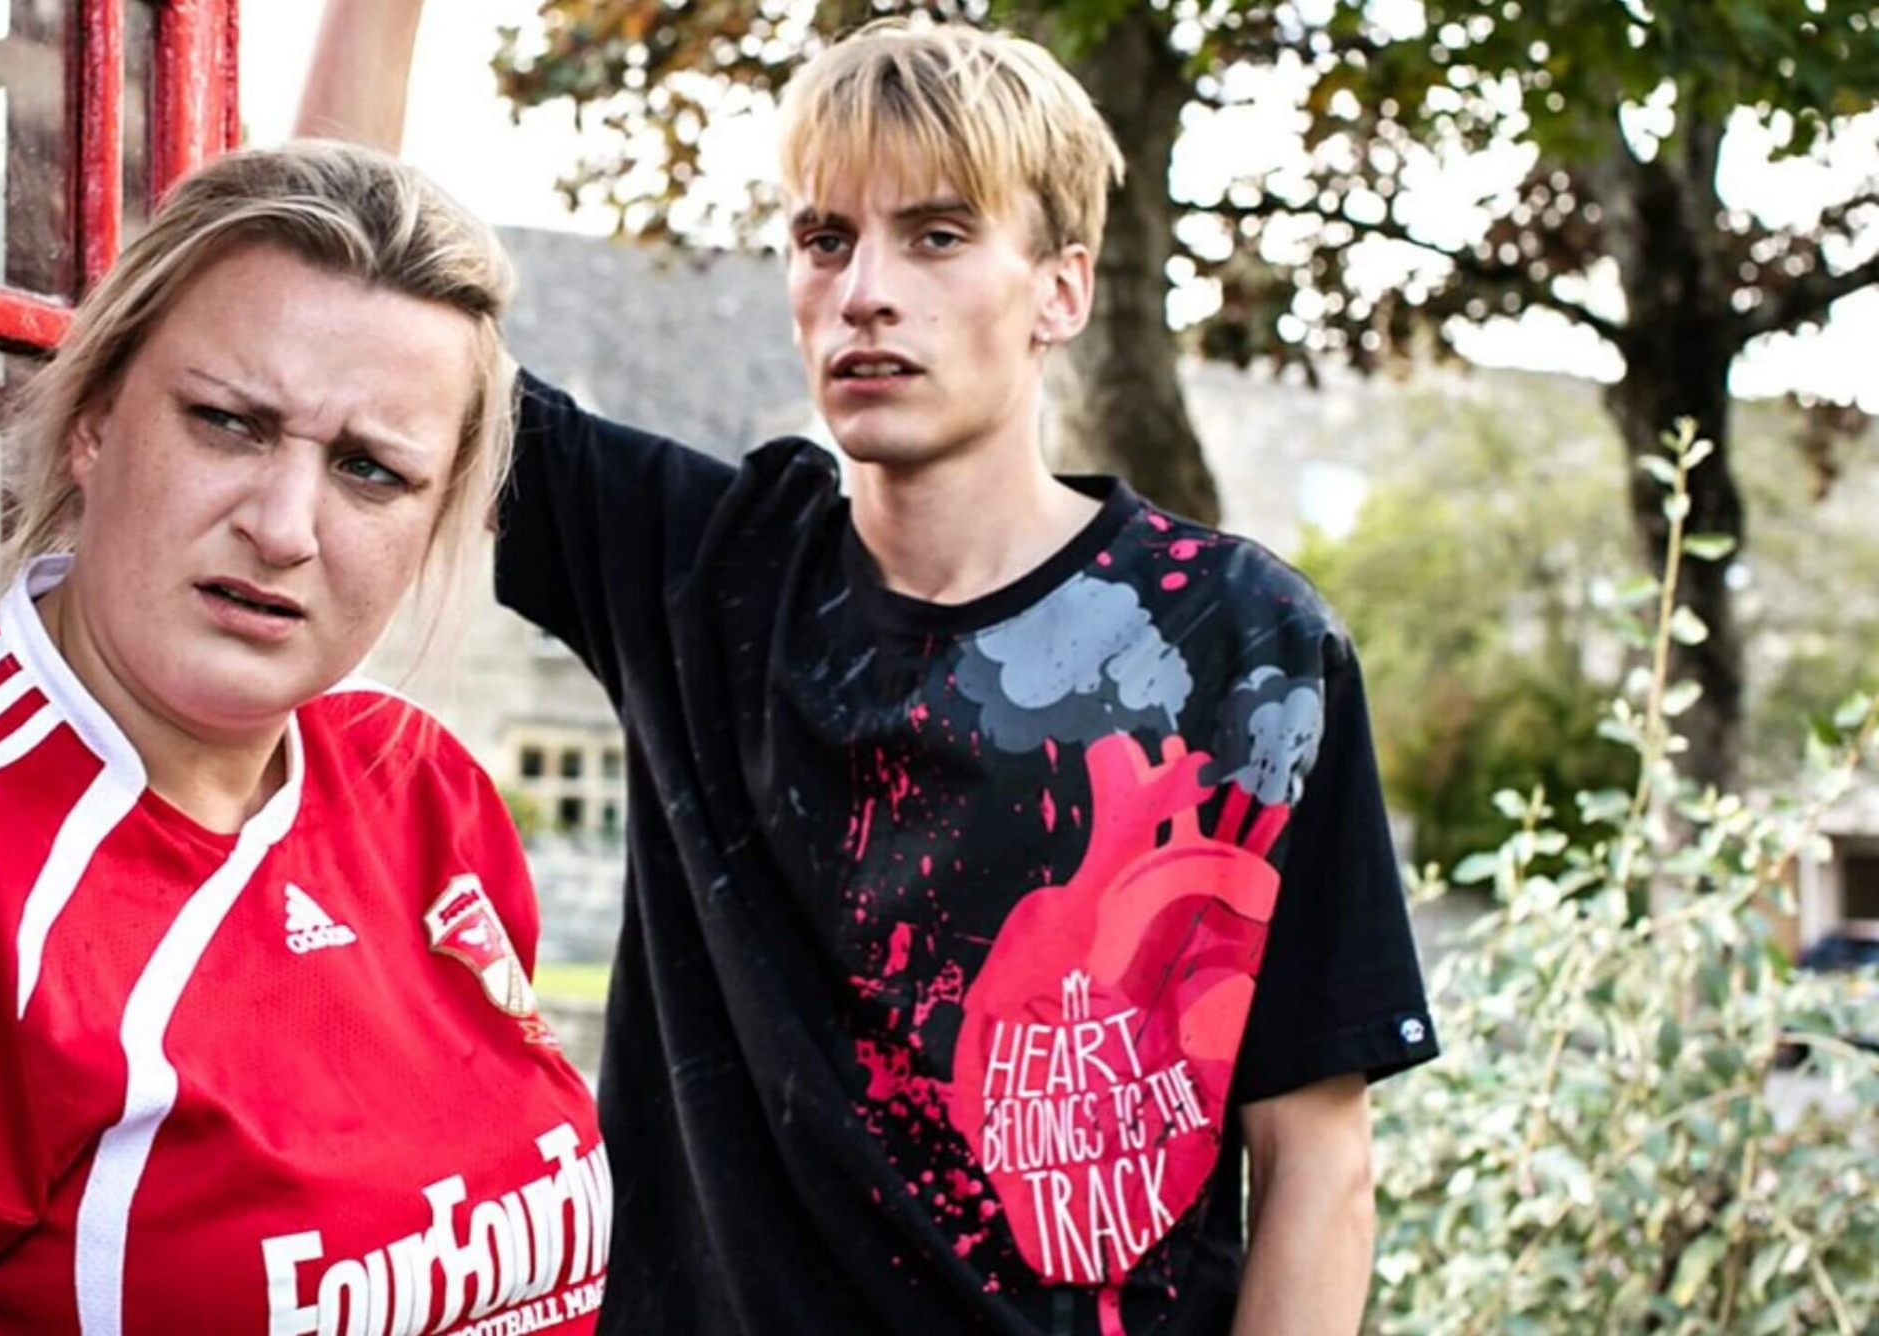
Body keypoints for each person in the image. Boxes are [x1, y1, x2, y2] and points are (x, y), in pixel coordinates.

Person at [301, 10, 1440, 1335]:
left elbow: (1317, 1160)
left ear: (1060, 290)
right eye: (825, 239)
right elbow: (343, 284)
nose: (866, 291)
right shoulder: (704, 575)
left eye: (938, 236)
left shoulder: (1238, 643)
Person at [0, 141, 612, 1335]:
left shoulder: (423, 795)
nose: (284, 526)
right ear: (93, 422)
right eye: (229, 424)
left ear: (436, 517)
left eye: (369, 470)